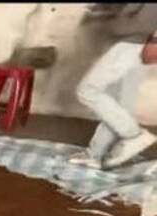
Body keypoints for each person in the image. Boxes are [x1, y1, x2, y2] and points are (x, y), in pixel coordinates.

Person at [68, 3, 157, 169]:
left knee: (88, 91)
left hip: (132, 45)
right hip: (136, 45)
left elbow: (143, 24)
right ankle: (96, 154)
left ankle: (134, 135)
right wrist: (106, 11)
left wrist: (112, 23)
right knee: (117, 102)